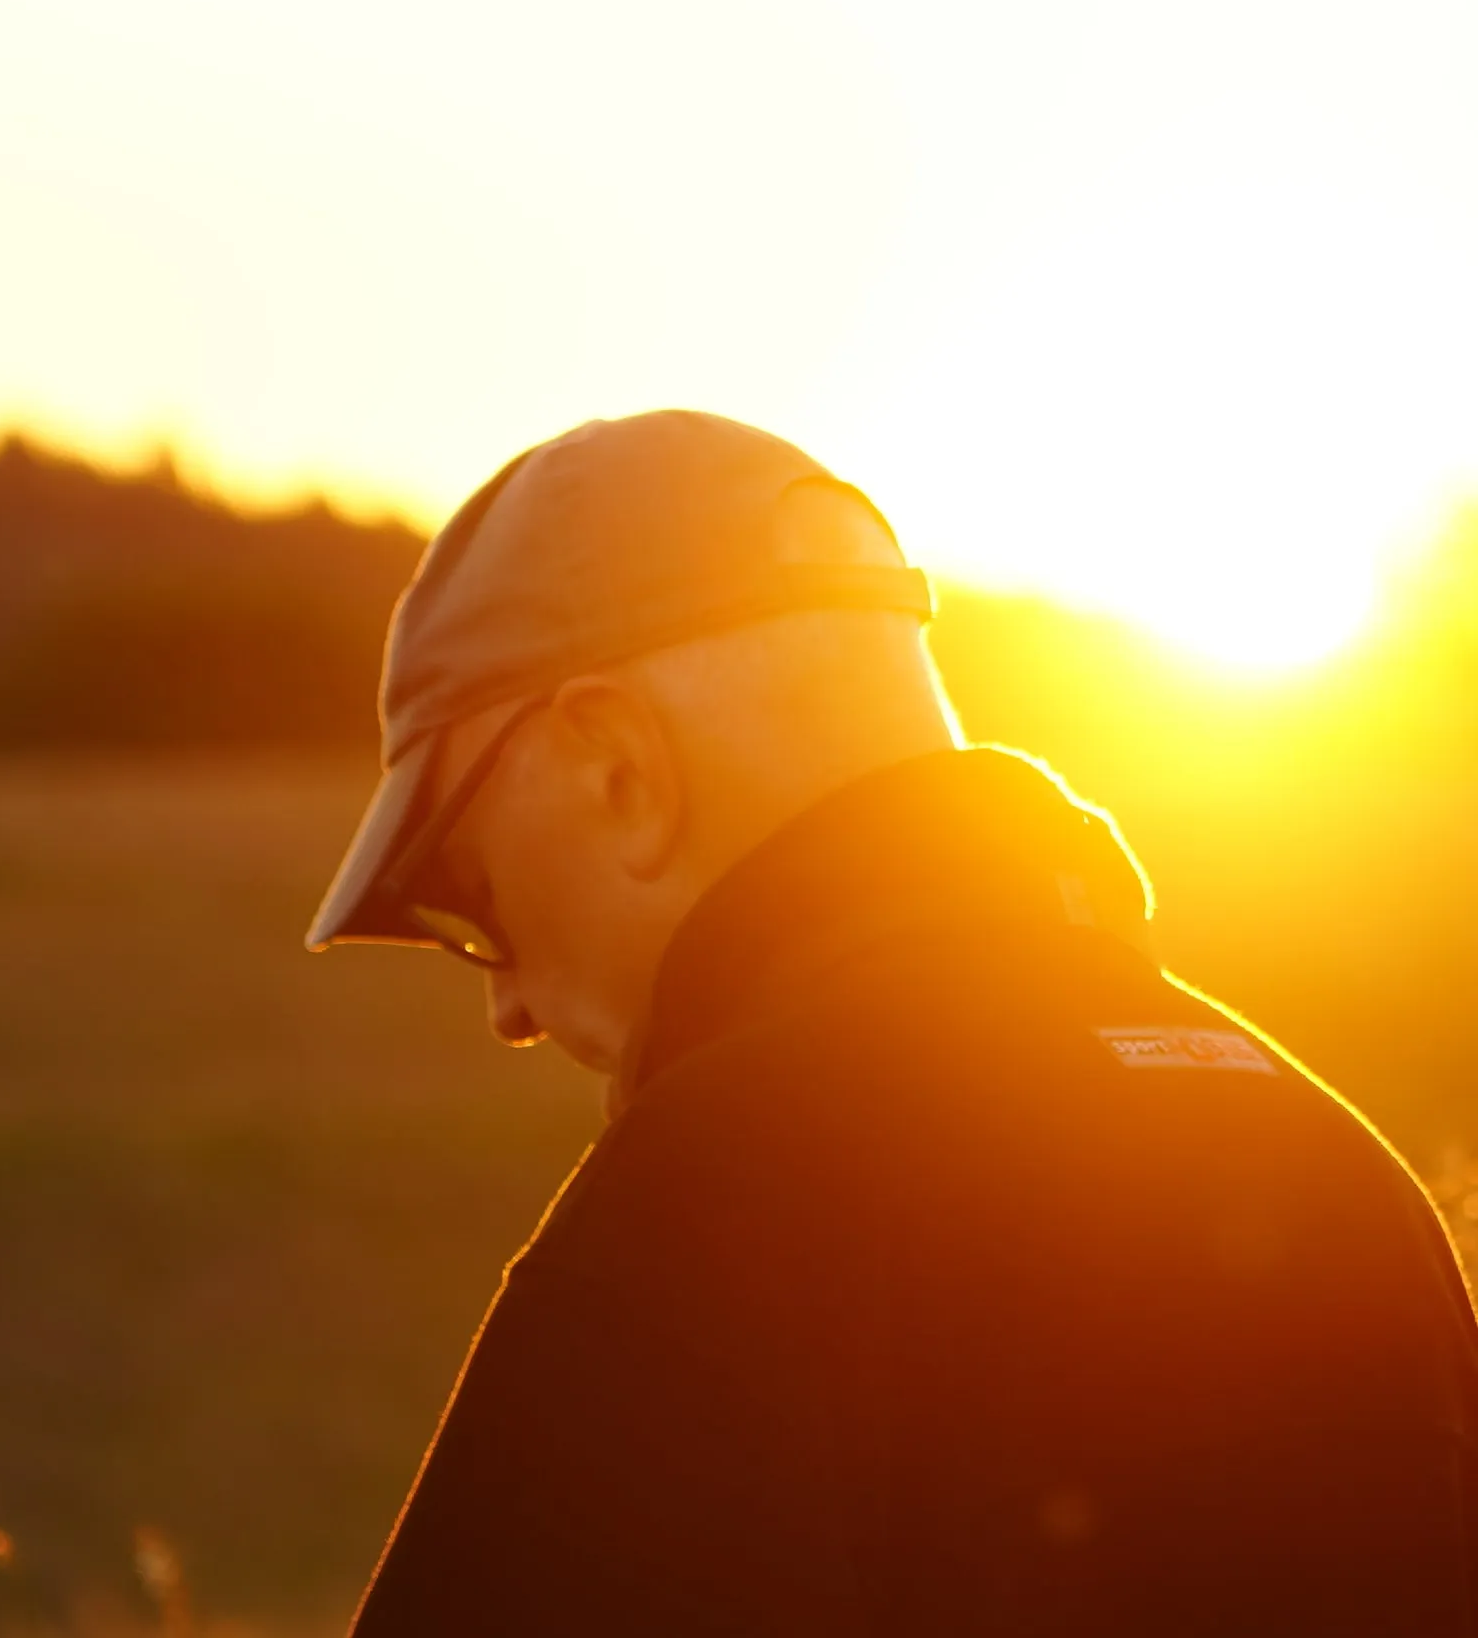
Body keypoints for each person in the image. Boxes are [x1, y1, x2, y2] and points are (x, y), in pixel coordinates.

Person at [306, 410, 1478, 1635]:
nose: (507, 1008)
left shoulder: (711, 1206)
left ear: (619, 771)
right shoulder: (1351, 1181)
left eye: (479, 906)